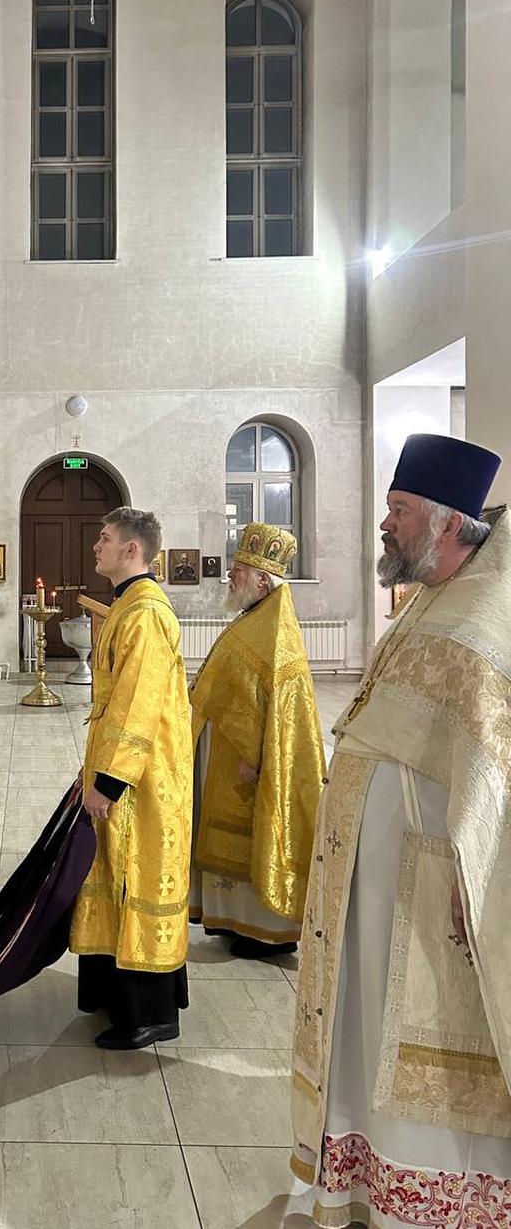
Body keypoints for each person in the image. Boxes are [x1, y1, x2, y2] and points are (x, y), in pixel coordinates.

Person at [292, 434, 511, 1226]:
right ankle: (366, 1188)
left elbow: (497, 768)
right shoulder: (429, 597)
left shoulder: (489, 615)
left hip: (432, 891)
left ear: (449, 522)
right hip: (373, 886)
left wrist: (481, 871)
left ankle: (439, 1203)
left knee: (424, 1057)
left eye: (400, 509)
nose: (385, 523)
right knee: (365, 1033)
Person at [70, 507, 192, 1049]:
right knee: (115, 875)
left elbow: (137, 703)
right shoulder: (127, 603)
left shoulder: (144, 612)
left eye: (105, 538)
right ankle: (115, 996)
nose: (96, 546)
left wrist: (110, 780)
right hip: (127, 767)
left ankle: (150, 1014)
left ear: (132, 550)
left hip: (144, 778)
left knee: (137, 879)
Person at [189, 523, 324, 959]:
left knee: (252, 839)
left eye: (239, 570)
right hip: (228, 754)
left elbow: (275, 711)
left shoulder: (274, 631)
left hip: (249, 763)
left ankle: (264, 931)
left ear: (263, 580)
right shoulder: (254, 618)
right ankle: (233, 920)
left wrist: (259, 757)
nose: (231, 575)